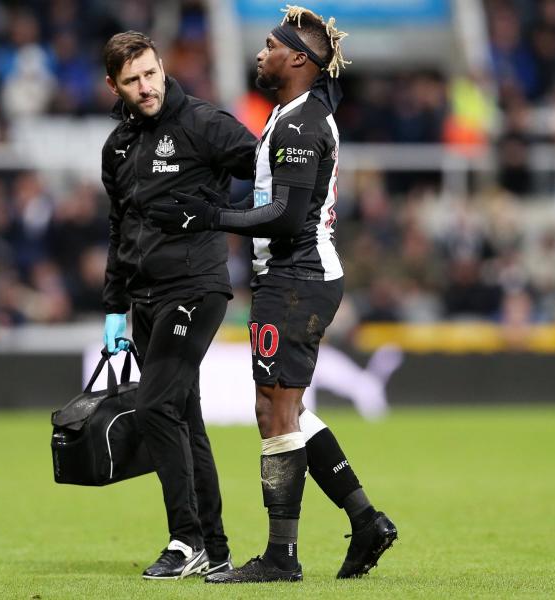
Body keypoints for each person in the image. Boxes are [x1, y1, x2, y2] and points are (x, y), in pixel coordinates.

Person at [150, 6, 398, 583]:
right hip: (295, 277)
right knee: (286, 410)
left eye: (270, 44)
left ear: (298, 59)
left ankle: (282, 558)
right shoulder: (293, 114)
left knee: (274, 411)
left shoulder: (298, 124)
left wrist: (210, 217)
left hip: (297, 277)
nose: (260, 52)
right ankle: (365, 519)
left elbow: (286, 217)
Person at [99, 31, 257, 580]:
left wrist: (222, 218)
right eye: (132, 81)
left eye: (150, 74)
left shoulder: (204, 124)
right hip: (143, 299)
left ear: (162, 66)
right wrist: (114, 307)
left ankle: (184, 540)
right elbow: (119, 229)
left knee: (154, 408)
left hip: (196, 288)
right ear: (113, 86)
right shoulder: (117, 148)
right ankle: (214, 549)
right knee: (184, 418)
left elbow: (265, 170)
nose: (145, 88)